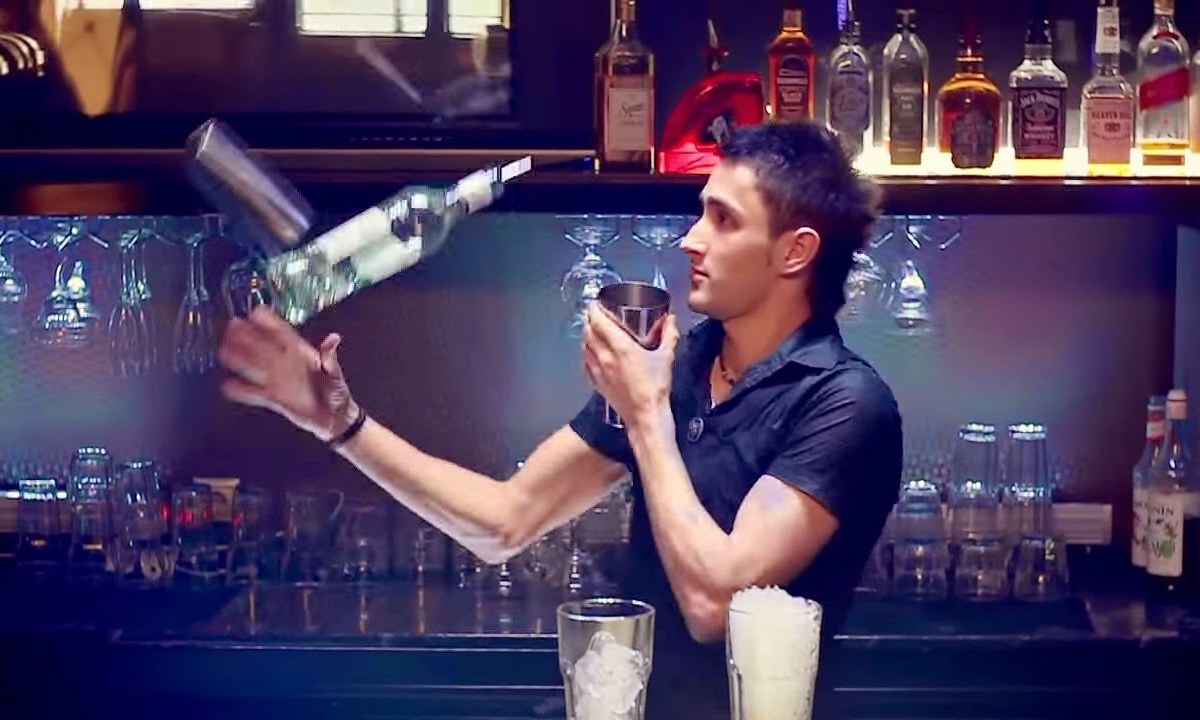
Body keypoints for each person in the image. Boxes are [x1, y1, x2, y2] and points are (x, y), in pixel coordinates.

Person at [218, 121, 903, 717]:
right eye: (701, 213)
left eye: (723, 220)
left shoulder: (844, 404)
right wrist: (339, 424)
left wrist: (645, 414)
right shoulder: (684, 365)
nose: (691, 239)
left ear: (794, 252)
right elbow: (504, 520)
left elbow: (715, 605)